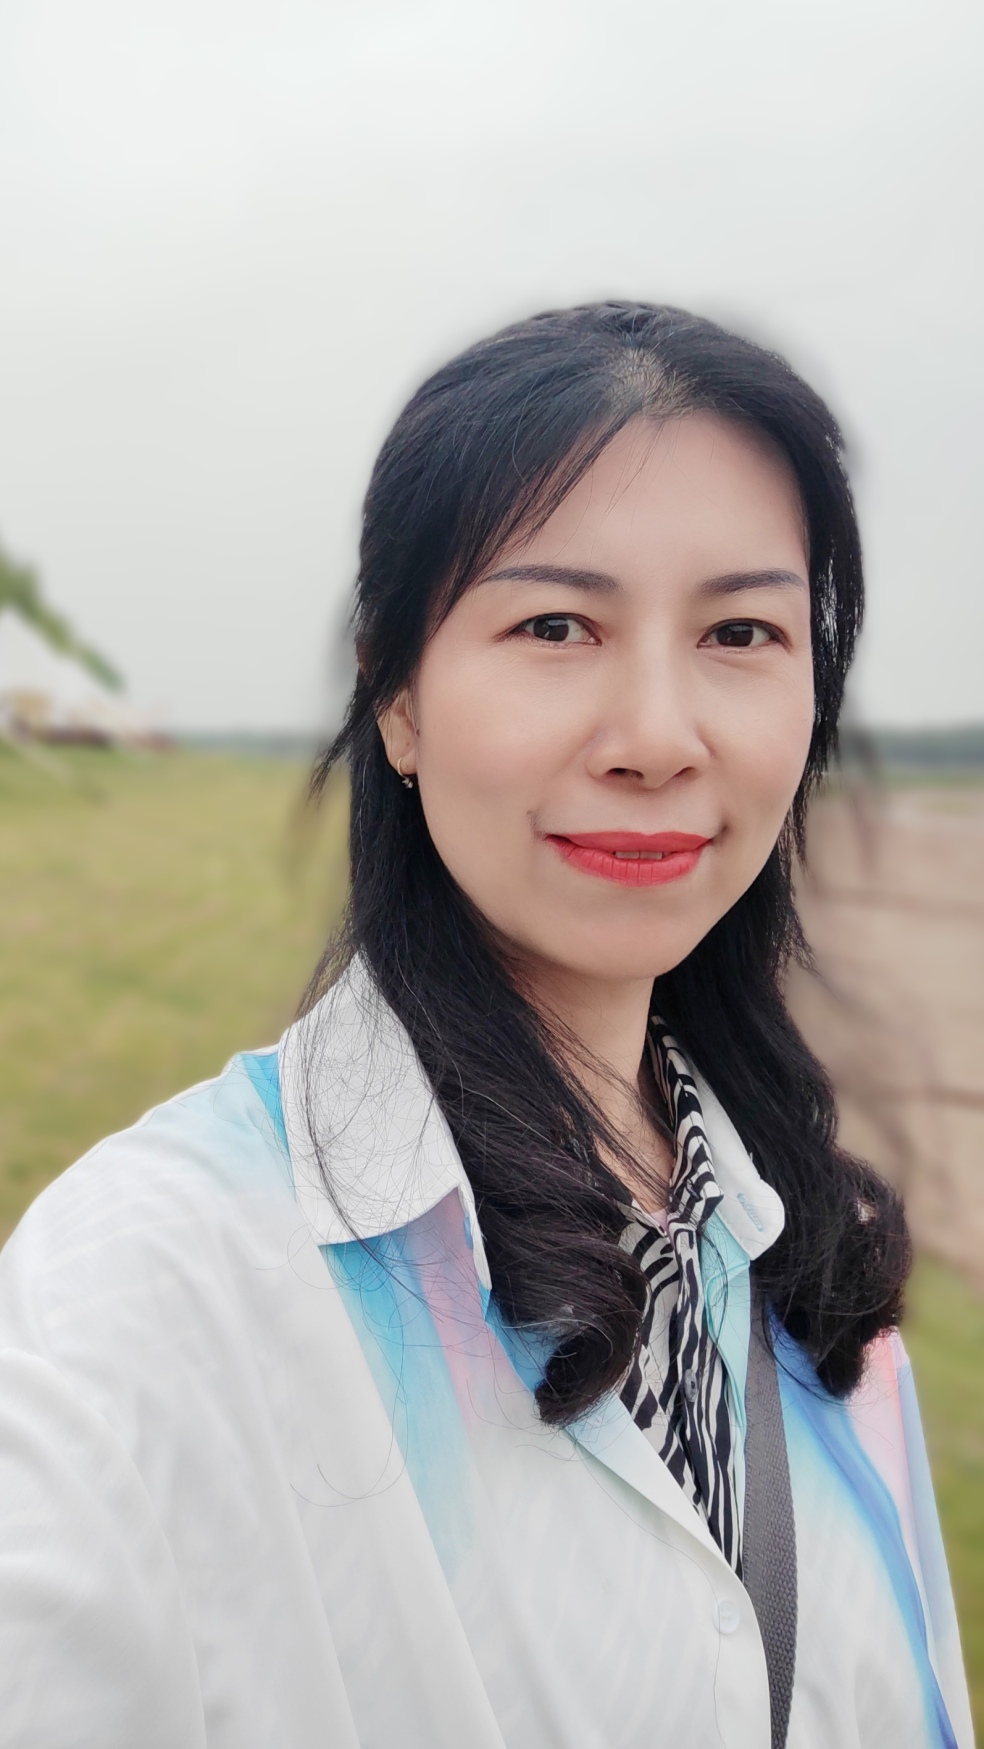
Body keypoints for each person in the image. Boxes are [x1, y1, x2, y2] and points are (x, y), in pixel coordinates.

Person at [0, 303, 971, 1749]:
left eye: (742, 630)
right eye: (555, 626)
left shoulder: (811, 1249)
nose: (658, 737)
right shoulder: (143, 1288)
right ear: (396, 695)